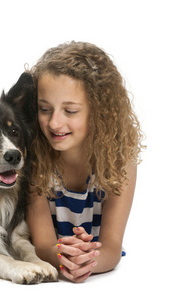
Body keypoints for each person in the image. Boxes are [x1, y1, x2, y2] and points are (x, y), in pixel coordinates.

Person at [26, 41, 144, 283]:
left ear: (99, 111)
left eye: (70, 111)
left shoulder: (119, 162)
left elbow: (111, 247)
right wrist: (62, 257)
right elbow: (43, 245)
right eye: (44, 108)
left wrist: (88, 262)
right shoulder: (34, 158)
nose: (54, 123)